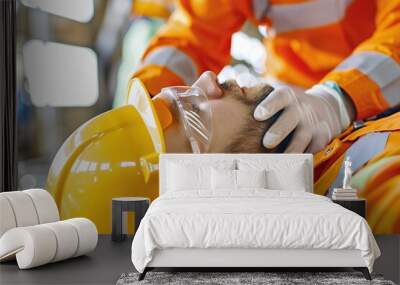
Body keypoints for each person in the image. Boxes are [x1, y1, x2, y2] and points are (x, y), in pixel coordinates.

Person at [131, 0, 400, 153]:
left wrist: (337, 97)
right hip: (290, 112)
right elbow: (193, 35)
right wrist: (145, 111)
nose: (209, 78)